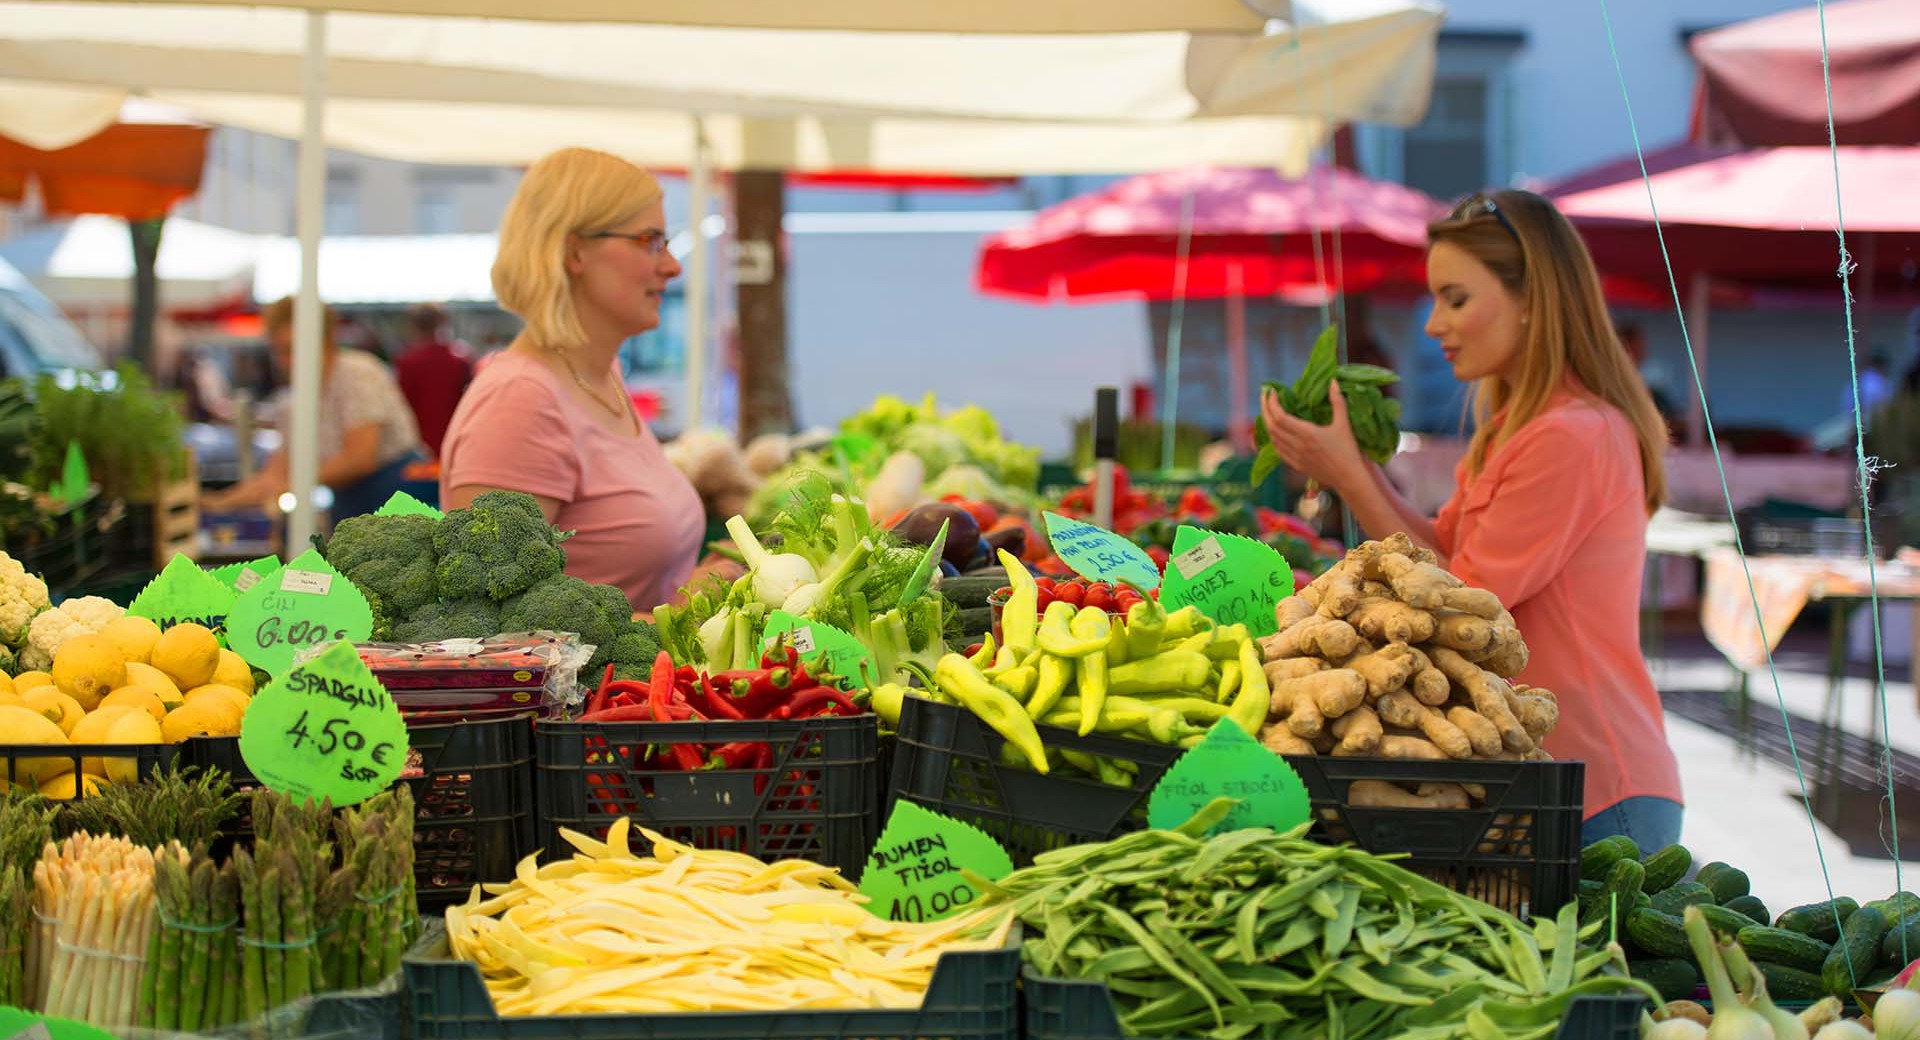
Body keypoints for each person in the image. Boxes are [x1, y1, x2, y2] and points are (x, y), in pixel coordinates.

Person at [1260, 189, 1682, 849]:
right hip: (1544, 776)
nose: (1433, 325)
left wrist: (1348, 473)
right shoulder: (1523, 427)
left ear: (1532, 299)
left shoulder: (1571, 437)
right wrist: (1352, 468)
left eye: (1455, 300)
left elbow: (1455, 608)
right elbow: (1433, 555)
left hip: (1597, 790)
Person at [439, 148, 706, 615]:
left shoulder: (602, 376)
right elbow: (491, 626)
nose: (672, 266)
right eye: (650, 241)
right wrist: (685, 617)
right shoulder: (521, 402)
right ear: (574, 251)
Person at [206, 297, 423, 521]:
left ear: (324, 340)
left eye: (291, 349)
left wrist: (293, 482)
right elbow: (275, 474)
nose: (284, 361)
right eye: (278, 351)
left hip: (400, 498)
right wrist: (220, 502)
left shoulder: (357, 374)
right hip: (351, 504)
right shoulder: (294, 400)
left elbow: (360, 458)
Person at [394, 303, 475, 459]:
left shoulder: (407, 361)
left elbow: (402, 404)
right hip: (454, 441)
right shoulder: (458, 360)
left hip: (418, 445)